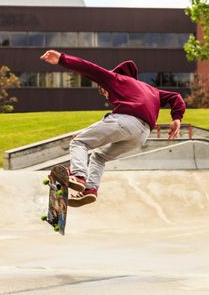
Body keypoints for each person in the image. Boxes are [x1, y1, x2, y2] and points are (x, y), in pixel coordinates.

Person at [40, 50, 186, 207]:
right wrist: (176, 118)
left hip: (126, 121)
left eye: (104, 92)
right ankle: (90, 189)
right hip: (141, 135)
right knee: (99, 156)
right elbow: (175, 97)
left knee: (79, 142)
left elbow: (89, 68)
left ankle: (78, 176)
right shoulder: (151, 89)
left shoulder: (114, 78)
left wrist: (62, 59)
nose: (106, 96)